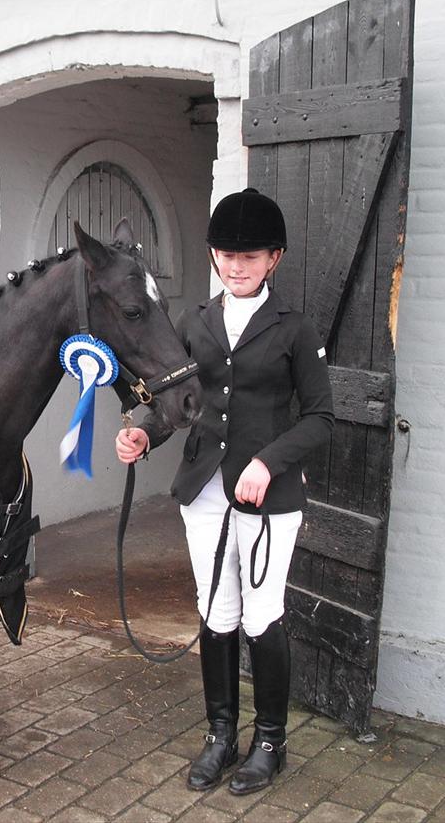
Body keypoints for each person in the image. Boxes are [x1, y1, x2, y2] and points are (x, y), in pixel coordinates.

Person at [114, 188, 334, 795]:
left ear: (274, 259)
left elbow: (320, 416)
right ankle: (220, 734)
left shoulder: (295, 329)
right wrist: (139, 433)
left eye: (250, 256)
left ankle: (270, 741)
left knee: (262, 617)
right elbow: (174, 405)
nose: (236, 266)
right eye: (226, 255)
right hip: (204, 489)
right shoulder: (194, 322)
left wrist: (268, 461)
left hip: (268, 496)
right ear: (214, 256)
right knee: (215, 611)